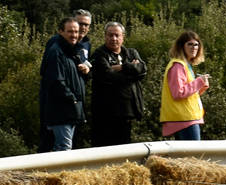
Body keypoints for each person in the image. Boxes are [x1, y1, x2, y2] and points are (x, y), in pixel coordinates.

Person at [39, 9, 92, 152]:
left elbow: (78, 74)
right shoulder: (56, 48)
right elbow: (54, 78)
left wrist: (86, 71)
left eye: (85, 25)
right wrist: (72, 99)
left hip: (73, 108)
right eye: (72, 30)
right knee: (62, 147)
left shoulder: (78, 47)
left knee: (65, 146)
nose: (80, 30)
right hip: (61, 108)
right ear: (61, 32)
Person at [89, 22, 147, 146]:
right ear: (105, 36)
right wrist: (131, 69)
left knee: (124, 147)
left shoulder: (131, 53)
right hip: (105, 114)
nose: (113, 38)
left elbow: (142, 71)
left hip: (128, 112)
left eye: (117, 35)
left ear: (123, 37)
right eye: (110, 35)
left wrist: (120, 67)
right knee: (104, 148)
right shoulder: (99, 54)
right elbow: (108, 76)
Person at [160, 31, 209, 140]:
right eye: (189, 44)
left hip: (186, 119)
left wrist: (201, 86)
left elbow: (188, 95)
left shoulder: (186, 65)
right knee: (194, 155)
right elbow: (178, 93)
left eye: (196, 44)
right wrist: (199, 81)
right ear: (181, 47)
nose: (194, 47)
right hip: (184, 120)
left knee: (187, 156)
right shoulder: (178, 66)